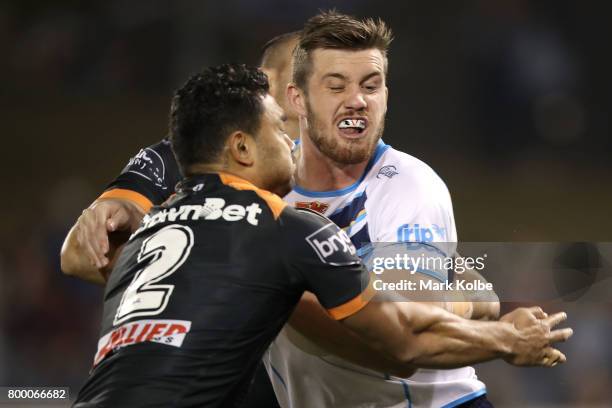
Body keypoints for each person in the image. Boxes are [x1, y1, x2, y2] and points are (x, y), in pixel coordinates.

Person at [62, 14, 571, 408]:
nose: (354, 102)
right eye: (332, 85)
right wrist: (108, 208)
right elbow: (84, 253)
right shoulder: (220, 161)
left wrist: (270, 284)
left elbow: (395, 338)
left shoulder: (405, 186)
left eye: (369, 86)